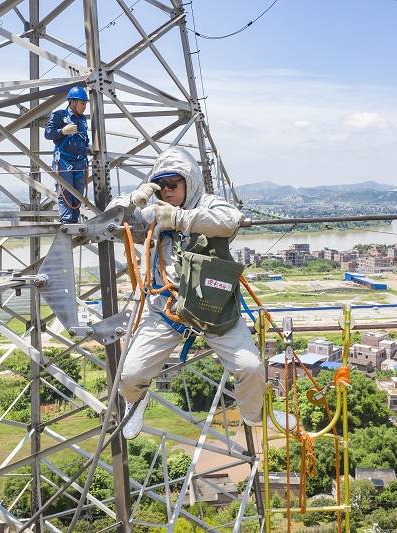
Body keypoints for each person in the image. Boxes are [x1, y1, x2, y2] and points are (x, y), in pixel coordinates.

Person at [110, 146, 295, 439]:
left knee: (250, 367)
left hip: (214, 306)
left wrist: (180, 219)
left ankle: (254, 414)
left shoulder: (208, 205)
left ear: (189, 181)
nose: (167, 191)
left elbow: (229, 220)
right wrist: (131, 202)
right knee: (130, 374)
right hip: (168, 309)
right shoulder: (153, 212)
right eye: (160, 186)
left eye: (173, 184)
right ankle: (135, 401)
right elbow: (111, 224)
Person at [44, 86, 90, 223]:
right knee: (66, 193)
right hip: (64, 161)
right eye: (82, 103)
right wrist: (62, 131)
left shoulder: (82, 119)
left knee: (78, 194)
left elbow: (84, 138)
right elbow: (48, 133)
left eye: (85, 103)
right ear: (73, 102)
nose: (84, 107)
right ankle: (67, 222)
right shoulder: (59, 115)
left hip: (80, 162)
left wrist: (88, 147)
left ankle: (74, 221)